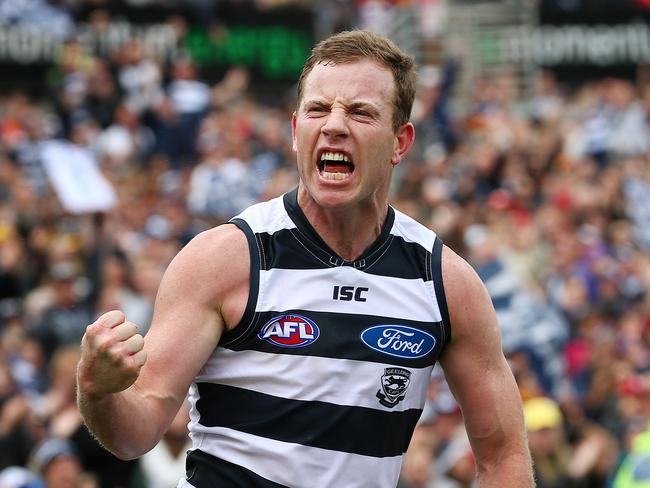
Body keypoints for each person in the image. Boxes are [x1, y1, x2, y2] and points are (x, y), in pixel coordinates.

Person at [76, 30, 534, 487]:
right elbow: (136, 432)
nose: (334, 125)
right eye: (318, 109)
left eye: (360, 112)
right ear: (297, 132)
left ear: (400, 142)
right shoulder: (228, 258)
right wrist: (97, 390)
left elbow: (504, 456)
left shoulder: (445, 282)